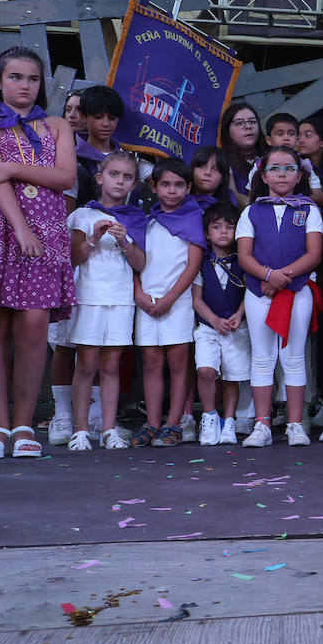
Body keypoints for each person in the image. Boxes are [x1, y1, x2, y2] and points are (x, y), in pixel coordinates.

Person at [0, 47, 77, 461]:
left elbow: (65, 177)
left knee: (33, 326)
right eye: (15, 77)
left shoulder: (57, 124)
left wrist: (13, 168)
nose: (24, 86)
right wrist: (20, 226)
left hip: (47, 231)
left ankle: (24, 424)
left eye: (32, 79)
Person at [237, 146, 323, 448]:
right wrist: (268, 276)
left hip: (297, 292)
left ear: (300, 175)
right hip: (258, 291)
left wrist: (281, 276)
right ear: (263, 175)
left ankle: (295, 423)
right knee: (262, 357)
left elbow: (314, 254)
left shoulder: (308, 209)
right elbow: (244, 255)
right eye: (275, 168)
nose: (282, 173)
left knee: (294, 356)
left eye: (289, 168)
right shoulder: (251, 211)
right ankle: (262, 424)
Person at [66, 152, 146, 452]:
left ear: (134, 184)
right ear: (100, 178)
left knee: (112, 364)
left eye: (127, 177)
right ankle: (81, 429)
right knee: (86, 363)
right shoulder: (83, 215)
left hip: (121, 300)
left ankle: (109, 429)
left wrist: (125, 241)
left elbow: (140, 264)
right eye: (114, 174)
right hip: (89, 298)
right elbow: (73, 258)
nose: (120, 181)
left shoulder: (137, 218)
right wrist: (92, 239)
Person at [131, 157, 204, 448]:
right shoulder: (146, 220)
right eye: (165, 185)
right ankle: (152, 422)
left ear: (188, 187)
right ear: (153, 185)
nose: (171, 191)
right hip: (147, 302)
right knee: (150, 361)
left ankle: (174, 423)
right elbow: (135, 262)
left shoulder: (194, 218)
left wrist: (171, 297)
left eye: (178, 185)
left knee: (178, 362)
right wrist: (138, 294)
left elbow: (193, 265)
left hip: (178, 302)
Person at [191, 202, 248, 447]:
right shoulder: (200, 262)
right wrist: (213, 320)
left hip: (236, 327)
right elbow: (196, 298)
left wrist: (239, 314)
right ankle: (209, 415)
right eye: (217, 227)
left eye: (229, 227)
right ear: (207, 233)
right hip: (207, 327)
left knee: (232, 376)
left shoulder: (243, 261)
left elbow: (250, 294)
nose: (223, 232)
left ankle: (229, 420)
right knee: (206, 370)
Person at [219, 102, 264, 205]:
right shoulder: (221, 159)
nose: (248, 126)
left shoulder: (273, 155)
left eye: (252, 121)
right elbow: (232, 194)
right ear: (227, 130)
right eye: (239, 123)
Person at [190, 144, 233, 209]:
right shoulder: (178, 199)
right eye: (202, 167)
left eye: (215, 169)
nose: (208, 173)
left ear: (222, 178)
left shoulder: (229, 200)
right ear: (192, 170)